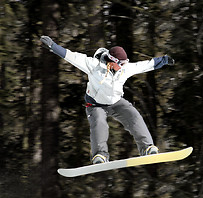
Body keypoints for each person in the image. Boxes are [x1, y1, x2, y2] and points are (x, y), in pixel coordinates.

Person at [40, 36, 175, 164]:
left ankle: (147, 147)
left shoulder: (124, 69)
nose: (123, 65)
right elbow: (72, 56)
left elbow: (145, 65)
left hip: (116, 102)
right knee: (99, 123)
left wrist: (164, 60)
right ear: (113, 61)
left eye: (125, 63)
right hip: (95, 104)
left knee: (134, 115)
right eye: (121, 63)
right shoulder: (94, 66)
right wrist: (53, 46)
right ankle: (100, 155)